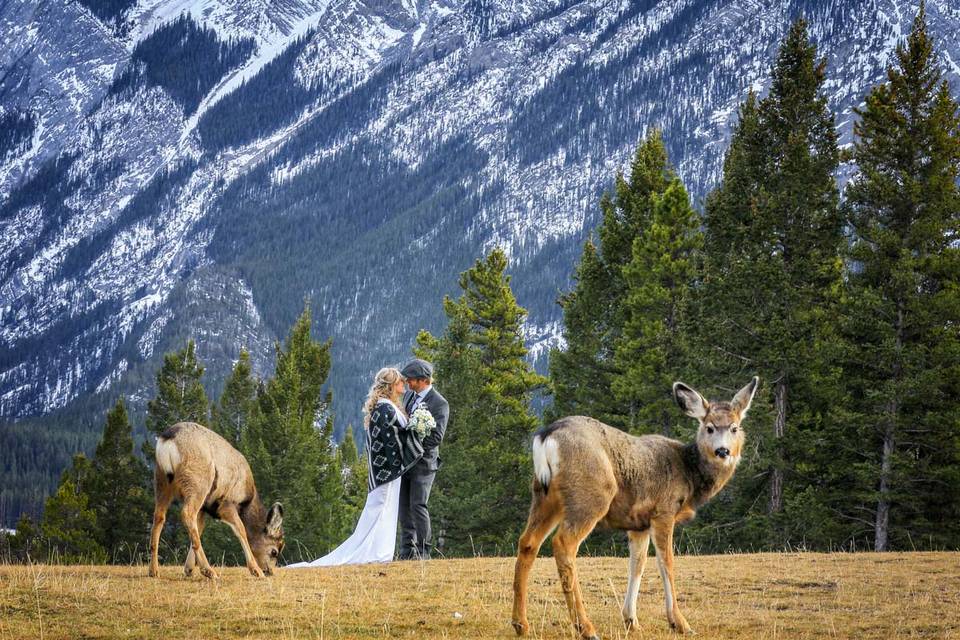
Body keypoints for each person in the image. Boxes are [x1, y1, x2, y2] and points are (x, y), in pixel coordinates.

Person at [286, 367, 422, 567]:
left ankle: (379, 551)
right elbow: (391, 441)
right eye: (400, 381)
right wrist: (416, 435)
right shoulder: (385, 409)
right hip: (387, 472)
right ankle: (377, 553)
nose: (404, 384)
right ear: (392, 385)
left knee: (382, 511)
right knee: (381, 510)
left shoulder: (385, 407)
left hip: (385, 472)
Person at [398, 358, 449, 560]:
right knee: (404, 506)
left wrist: (414, 449)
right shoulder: (411, 399)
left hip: (424, 464)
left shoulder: (439, 403)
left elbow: (436, 437)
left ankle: (423, 551)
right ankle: (406, 550)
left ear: (423, 380)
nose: (407, 383)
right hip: (406, 463)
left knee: (418, 505)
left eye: (411, 380)